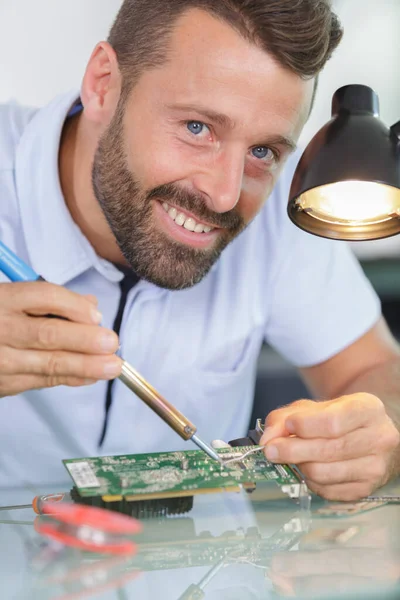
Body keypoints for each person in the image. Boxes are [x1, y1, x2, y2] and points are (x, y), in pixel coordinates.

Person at [0, 0, 399, 499]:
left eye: (263, 152)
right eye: (197, 128)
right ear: (104, 84)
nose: (225, 195)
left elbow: (375, 370)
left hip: (199, 572)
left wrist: (377, 433)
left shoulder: (278, 217)